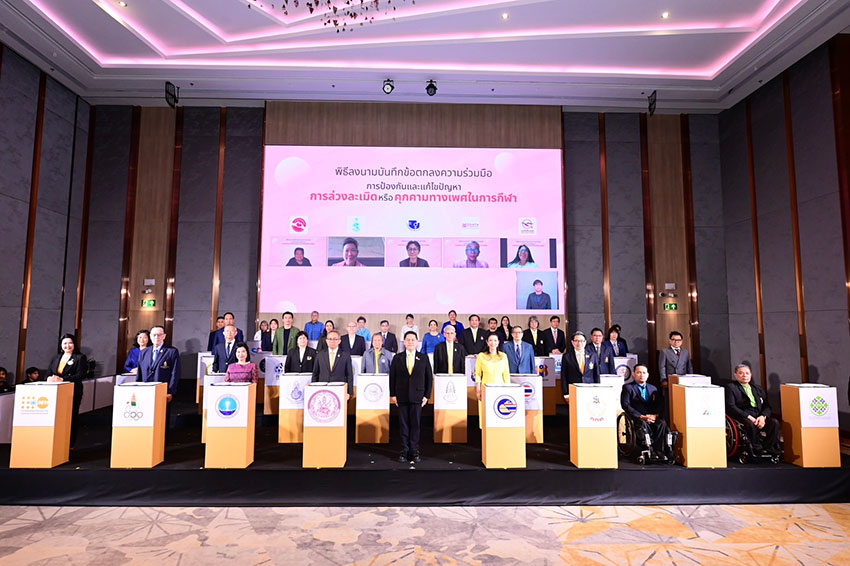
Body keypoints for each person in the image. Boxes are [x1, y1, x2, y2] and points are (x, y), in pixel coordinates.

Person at [389, 331, 433, 463]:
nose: (410, 342)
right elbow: (392, 377)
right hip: (401, 396)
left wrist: (427, 395)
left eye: (413, 340)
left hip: (418, 396)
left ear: (417, 342)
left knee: (415, 424)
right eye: (408, 340)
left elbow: (429, 378)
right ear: (404, 342)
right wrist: (393, 394)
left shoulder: (423, 358)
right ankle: (404, 450)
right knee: (403, 424)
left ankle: (414, 450)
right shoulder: (397, 358)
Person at [725, 363, 781, 456]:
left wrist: (763, 417)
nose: (744, 375)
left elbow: (767, 406)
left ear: (751, 375)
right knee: (750, 425)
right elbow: (731, 406)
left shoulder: (757, 388)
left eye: (747, 373)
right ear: (735, 375)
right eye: (741, 373)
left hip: (758, 414)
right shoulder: (731, 387)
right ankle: (756, 448)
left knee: (774, 423)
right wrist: (749, 417)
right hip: (742, 414)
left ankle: (768, 447)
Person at [621, 365, 674, 462]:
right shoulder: (627, 387)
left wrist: (655, 415)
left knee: (662, 424)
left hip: (651, 416)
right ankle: (649, 450)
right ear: (633, 374)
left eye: (644, 373)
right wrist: (641, 416)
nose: (641, 375)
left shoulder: (653, 388)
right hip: (637, 417)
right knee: (643, 424)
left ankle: (659, 451)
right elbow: (625, 405)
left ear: (647, 375)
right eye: (638, 372)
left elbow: (660, 404)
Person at [138, 326, 181, 437]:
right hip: (146, 391)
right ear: (150, 337)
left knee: (162, 418)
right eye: (154, 335)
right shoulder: (144, 352)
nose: (156, 337)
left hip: (162, 391)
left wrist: (170, 391)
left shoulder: (171, 352)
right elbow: (140, 373)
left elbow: (175, 373)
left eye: (159, 335)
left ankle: (162, 439)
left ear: (164, 336)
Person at [47, 333, 88, 447]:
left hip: (72, 391)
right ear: (61, 345)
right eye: (65, 343)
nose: (67, 346)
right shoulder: (56, 358)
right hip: (55, 392)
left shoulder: (80, 357)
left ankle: (70, 443)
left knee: (71, 416)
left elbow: (81, 375)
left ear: (74, 344)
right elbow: (49, 372)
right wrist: (50, 378)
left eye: (70, 343)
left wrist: (62, 379)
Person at [474, 334, 511, 425]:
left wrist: (507, 389)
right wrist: (478, 390)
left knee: (498, 412)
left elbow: (506, 374)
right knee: (486, 413)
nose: (493, 343)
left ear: (498, 342)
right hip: (485, 388)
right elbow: (478, 374)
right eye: (490, 340)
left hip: (500, 388)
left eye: (495, 340)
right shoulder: (481, 356)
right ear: (487, 342)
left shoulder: (503, 356)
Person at [311, 330, 354, 396]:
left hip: (339, 390)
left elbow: (349, 375)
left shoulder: (345, 355)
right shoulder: (320, 355)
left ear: (339, 341)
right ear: (326, 341)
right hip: (323, 390)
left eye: (335, 339)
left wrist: (349, 392)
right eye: (330, 339)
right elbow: (315, 374)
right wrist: (313, 390)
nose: (332, 341)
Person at [561, 331, 600, 402]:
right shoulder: (567, 357)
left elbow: (596, 374)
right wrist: (566, 394)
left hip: (589, 390)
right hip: (574, 389)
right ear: (572, 342)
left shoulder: (593, 355)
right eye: (576, 341)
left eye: (582, 341)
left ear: (585, 342)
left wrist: (597, 390)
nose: (579, 343)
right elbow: (564, 376)